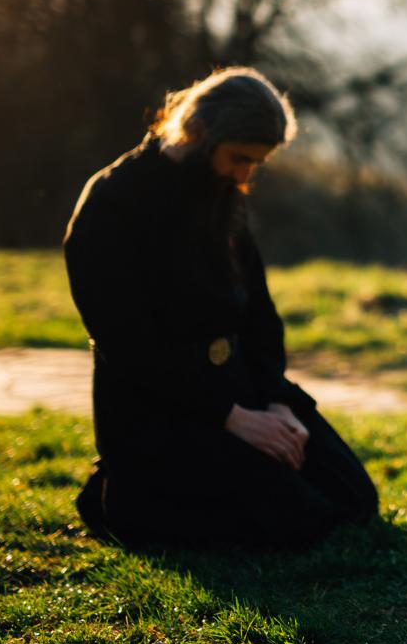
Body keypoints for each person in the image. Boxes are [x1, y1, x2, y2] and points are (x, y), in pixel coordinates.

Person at [66, 67, 378, 549]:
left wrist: (275, 402)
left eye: (256, 163)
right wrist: (232, 417)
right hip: (157, 407)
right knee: (302, 520)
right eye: (239, 158)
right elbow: (128, 346)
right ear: (198, 133)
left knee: (354, 497)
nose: (245, 176)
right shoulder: (112, 203)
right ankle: (119, 495)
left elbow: (258, 315)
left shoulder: (223, 194)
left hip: (242, 389)